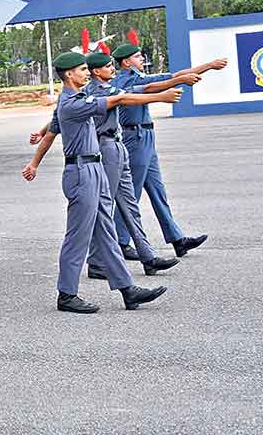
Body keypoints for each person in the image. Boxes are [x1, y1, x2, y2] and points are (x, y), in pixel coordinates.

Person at [22, 52, 175, 313]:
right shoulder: (71, 104)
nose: (86, 72)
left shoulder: (75, 99)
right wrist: (160, 98)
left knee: (106, 232)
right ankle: (66, 294)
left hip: (95, 167)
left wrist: (34, 163)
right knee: (77, 237)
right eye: (82, 69)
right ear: (69, 74)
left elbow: (50, 133)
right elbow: (120, 98)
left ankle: (128, 290)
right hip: (81, 172)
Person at [111, 41, 225, 258]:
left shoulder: (138, 75)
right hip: (133, 137)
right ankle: (121, 242)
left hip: (146, 137)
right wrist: (179, 81)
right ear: (126, 62)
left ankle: (177, 239)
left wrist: (209, 66)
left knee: (158, 191)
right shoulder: (124, 79)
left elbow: (176, 74)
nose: (142, 58)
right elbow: (152, 88)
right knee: (130, 194)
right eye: (137, 56)